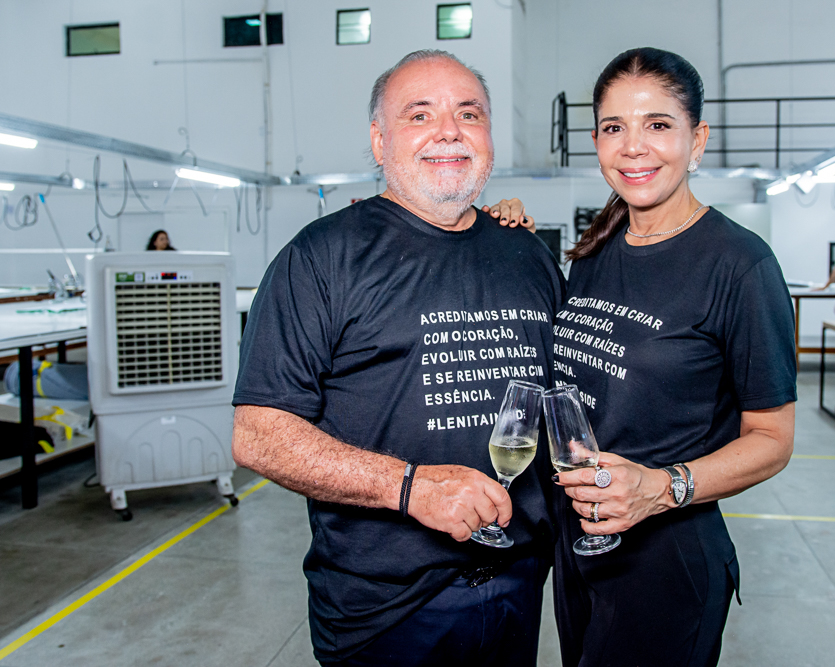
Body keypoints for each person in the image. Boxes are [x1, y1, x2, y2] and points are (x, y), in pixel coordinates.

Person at [231, 50, 564, 666]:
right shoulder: (320, 258)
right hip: (385, 611)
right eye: (420, 115)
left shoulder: (529, 255)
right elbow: (259, 436)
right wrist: (409, 487)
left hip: (519, 584)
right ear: (380, 141)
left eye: (469, 113)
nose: (449, 131)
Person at [539, 48, 796, 667]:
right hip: (579, 545)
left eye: (657, 124)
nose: (633, 147)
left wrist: (661, 488)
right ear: (596, 142)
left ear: (696, 139)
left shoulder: (740, 265)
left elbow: (772, 440)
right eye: (613, 127)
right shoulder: (596, 251)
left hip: (664, 563)